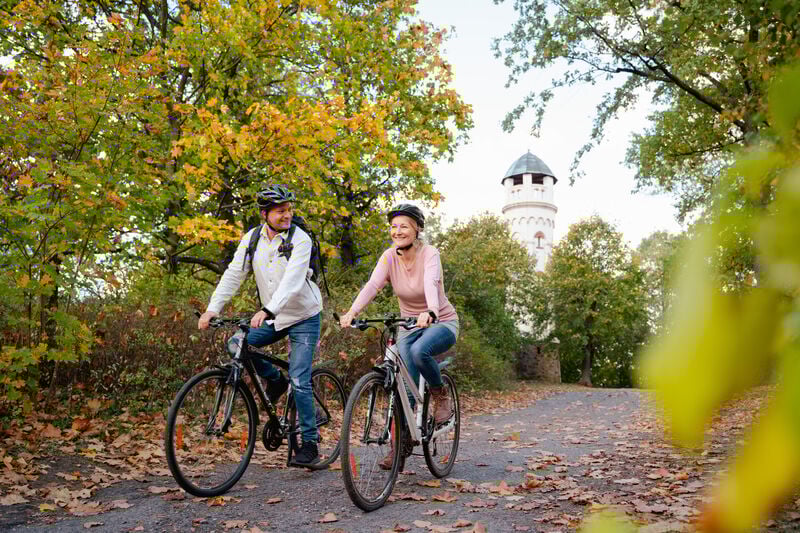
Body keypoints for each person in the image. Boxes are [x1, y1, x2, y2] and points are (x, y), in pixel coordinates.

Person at [198, 184, 323, 467]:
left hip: (303, 316)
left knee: (300, 379)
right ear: (264, 214)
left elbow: (293, 281)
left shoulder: (300, 239)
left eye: (289, 210)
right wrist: (212, 308)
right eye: (280, 211)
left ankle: (310, 444)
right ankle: (276, 380)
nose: (287, 215)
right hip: (274, 317)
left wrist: (268, 309)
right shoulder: (252, 238)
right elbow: (234, 274)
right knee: (236, 344)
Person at [339, 204, 459, 467]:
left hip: (441, 322)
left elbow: (431, 282)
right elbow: (373, 285)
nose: (397, 231)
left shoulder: (430, 254)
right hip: (409, 324)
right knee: (403, 388)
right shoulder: (389, 257)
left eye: (404, 226)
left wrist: (431, 310)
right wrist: (352, 312)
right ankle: (400, 445)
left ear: (417, 229)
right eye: (393, 227)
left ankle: (439, 394)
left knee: (418, 352)